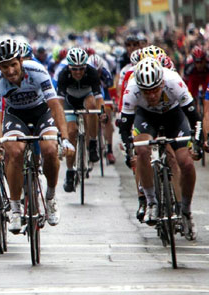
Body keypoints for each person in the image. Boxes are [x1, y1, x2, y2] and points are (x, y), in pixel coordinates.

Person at [0, 38, 73, 234]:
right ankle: (15, 207)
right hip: (16, 116)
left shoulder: (37, 71)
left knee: (50, 149)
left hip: (42, 112)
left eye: (13, 65)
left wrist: (65, 138)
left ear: (20, 60)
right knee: (14, 152)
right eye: (4, 67)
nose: (9, 71)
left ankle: (50, 197)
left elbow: (55, 106)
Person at [120, 58, 199, 240]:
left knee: (186, 163)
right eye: (146, 92)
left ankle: (186, 211)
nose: (152, 95)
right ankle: (151, 201)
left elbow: (195, 117)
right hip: (147, 117)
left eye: (155, 89)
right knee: (142, 150)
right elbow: (125, 127)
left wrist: (197, 141)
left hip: (174, 115)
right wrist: (128, 149)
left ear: (162, 83)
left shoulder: (173, 81)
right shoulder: (132, 88)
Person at [57, 47, 104, 192]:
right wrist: (58, 120)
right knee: (71, 133)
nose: (78, 72)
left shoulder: (92, 73)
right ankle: (70, 172)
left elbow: (98, 98)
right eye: (74, 69)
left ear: (86, 66)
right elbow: (59, 102)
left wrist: (101, 112)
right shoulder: (63, 74)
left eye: (81, 69)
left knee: (92, 107)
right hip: (70, 102)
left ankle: (93, 142)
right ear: (69, 67)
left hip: (86, 99)